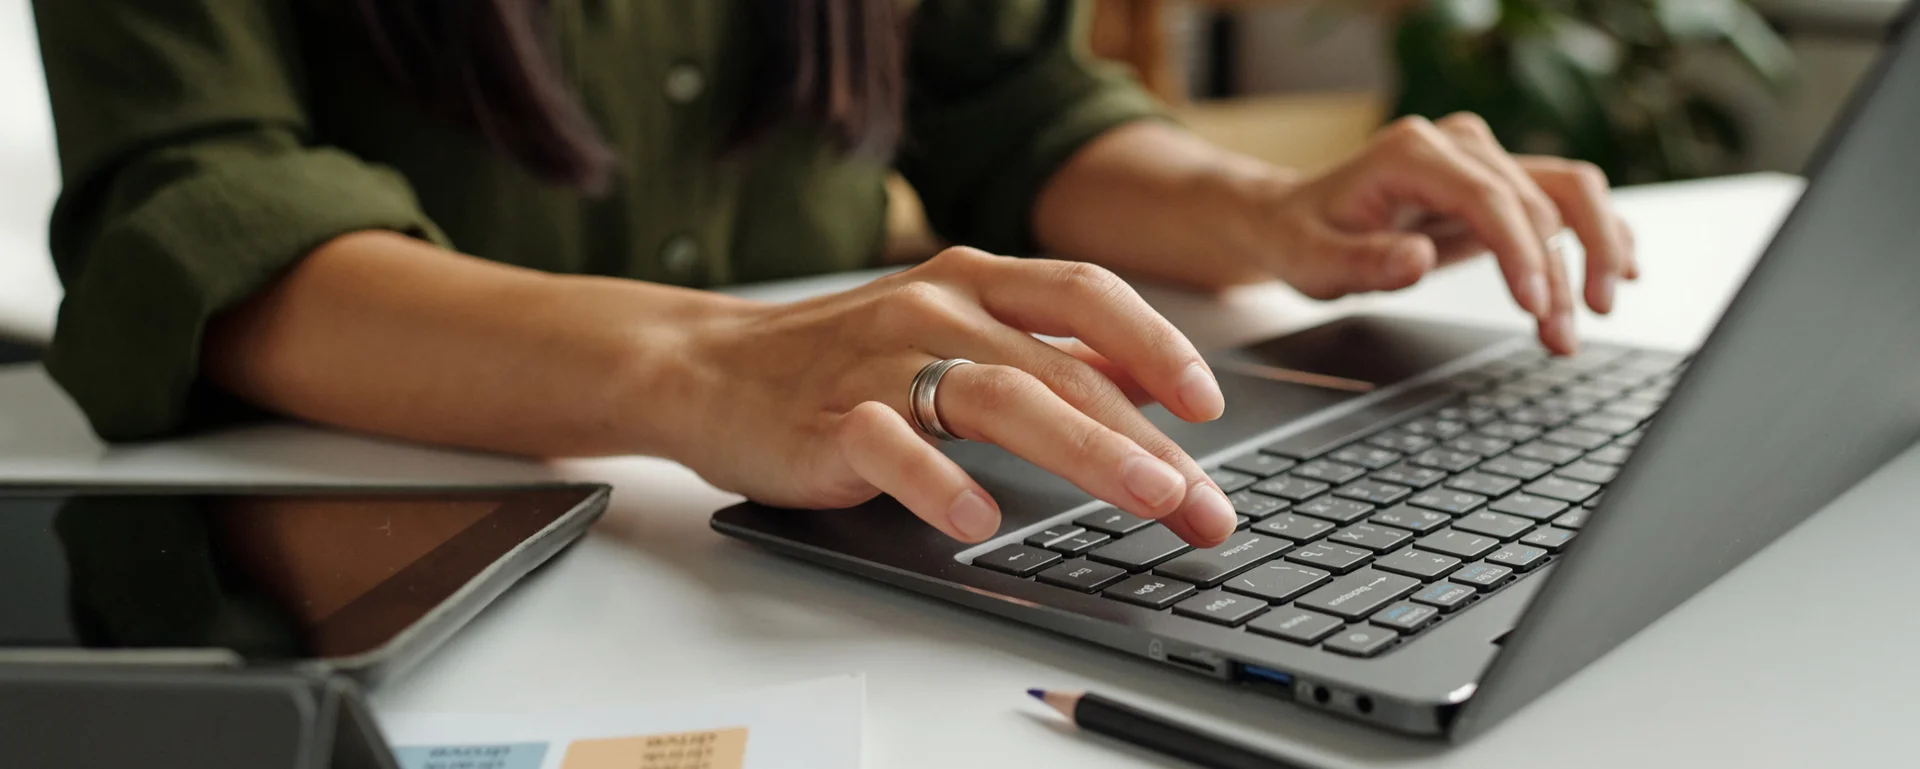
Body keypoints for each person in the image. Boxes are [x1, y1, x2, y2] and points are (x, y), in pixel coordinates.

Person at [32, 0, 1635, 551]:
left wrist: (1270, 212)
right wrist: (704, 367)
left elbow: (1016, 98)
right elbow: (198, 217)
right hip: (379, 548)